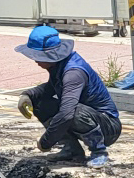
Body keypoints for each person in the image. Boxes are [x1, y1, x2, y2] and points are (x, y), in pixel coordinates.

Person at [15, 25, 120, 169]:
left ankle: (99, 151)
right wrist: (28, 95)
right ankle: (71, 149)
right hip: (88, 118)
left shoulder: (73, 73)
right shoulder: (58, 66)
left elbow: (66, 115)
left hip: (108, 127)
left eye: (37, 57)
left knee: (73, 112)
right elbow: (50, 87)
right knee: (40, 103)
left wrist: (46, 142)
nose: (35, 61)